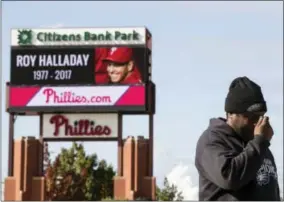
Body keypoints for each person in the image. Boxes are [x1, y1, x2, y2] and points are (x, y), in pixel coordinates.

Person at [195, 77, 280, 201]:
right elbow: (229, 178)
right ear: (230, 114)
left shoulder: (259, 144)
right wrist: (260, 142)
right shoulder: (212, 141)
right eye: (251, 116)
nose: (257, 123)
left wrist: (260, 143)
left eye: (260, 116)